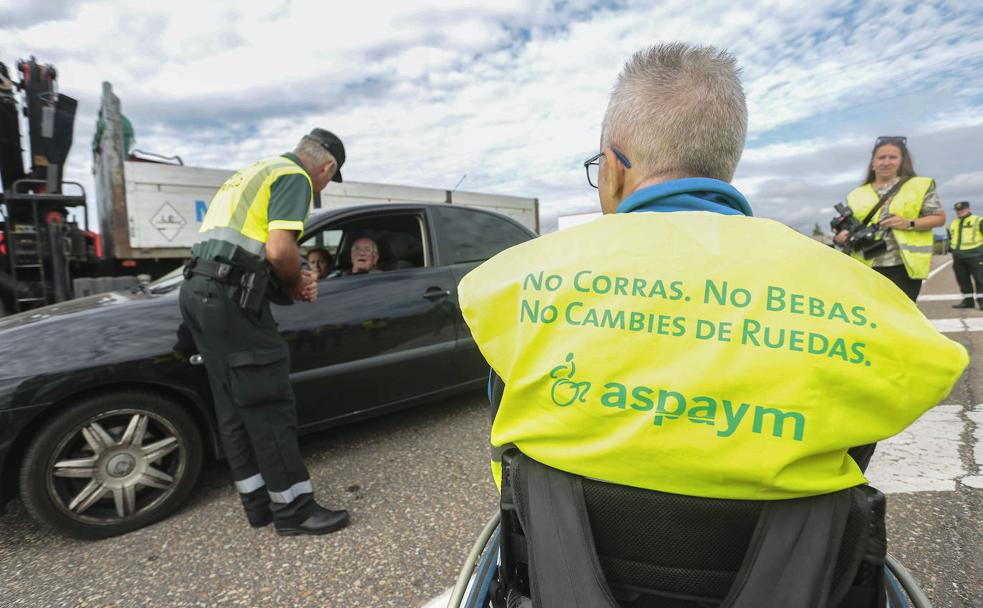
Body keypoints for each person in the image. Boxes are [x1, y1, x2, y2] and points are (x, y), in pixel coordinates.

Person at [457, 43, 965, 586]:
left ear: (611, 166)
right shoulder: (867, 301)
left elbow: (504, 435)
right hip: (788, 581)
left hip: (563, 573)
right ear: (726, 160)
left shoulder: (510, 281)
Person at [179, 128, 350, 536]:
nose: (324, 185)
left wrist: (291, 276)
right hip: (229, 300)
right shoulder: (294, 178)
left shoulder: (254, 172)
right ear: (326, 167)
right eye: (330, 178)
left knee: (234, 406)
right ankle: (295, 512)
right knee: (268, 403)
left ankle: (259, 505)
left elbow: (247, 250)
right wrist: (295, 282)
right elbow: (278, 250)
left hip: (198, 293)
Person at [834, 136, 945, 301]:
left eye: (892, 157)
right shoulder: (856, 194)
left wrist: (908, 223)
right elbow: (845, 227)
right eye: (881, 157)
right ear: (873, 162)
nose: (886, 162)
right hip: (863, 266)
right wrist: (840, 238)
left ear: (902, 161)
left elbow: (939, 218)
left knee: (900, 318)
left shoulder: (918, 186)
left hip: (901, 267)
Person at [948, 201, 983, 309]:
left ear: (968, 209)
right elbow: (951, 239)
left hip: (976, 255)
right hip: (959, 257)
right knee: (963, 280)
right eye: (958, 210)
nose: (960, 212)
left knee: (980, 279)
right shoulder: (952, 224)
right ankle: (968, 301)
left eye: (962, 209)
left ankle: (982, 302)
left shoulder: (978, 220)